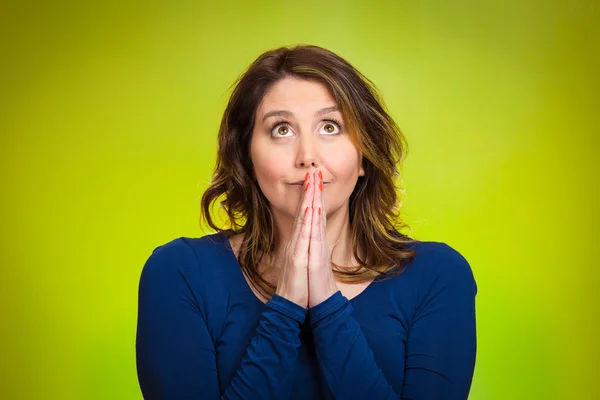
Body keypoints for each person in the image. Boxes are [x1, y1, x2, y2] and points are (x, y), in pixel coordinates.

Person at [135, 45, 477, 400]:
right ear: (247, 156)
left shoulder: (438, 275)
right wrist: (287, 306)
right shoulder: (179, 272)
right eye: (282, 130)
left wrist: (327, 305)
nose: (308, 156)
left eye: (330, 127)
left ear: (364, 156)